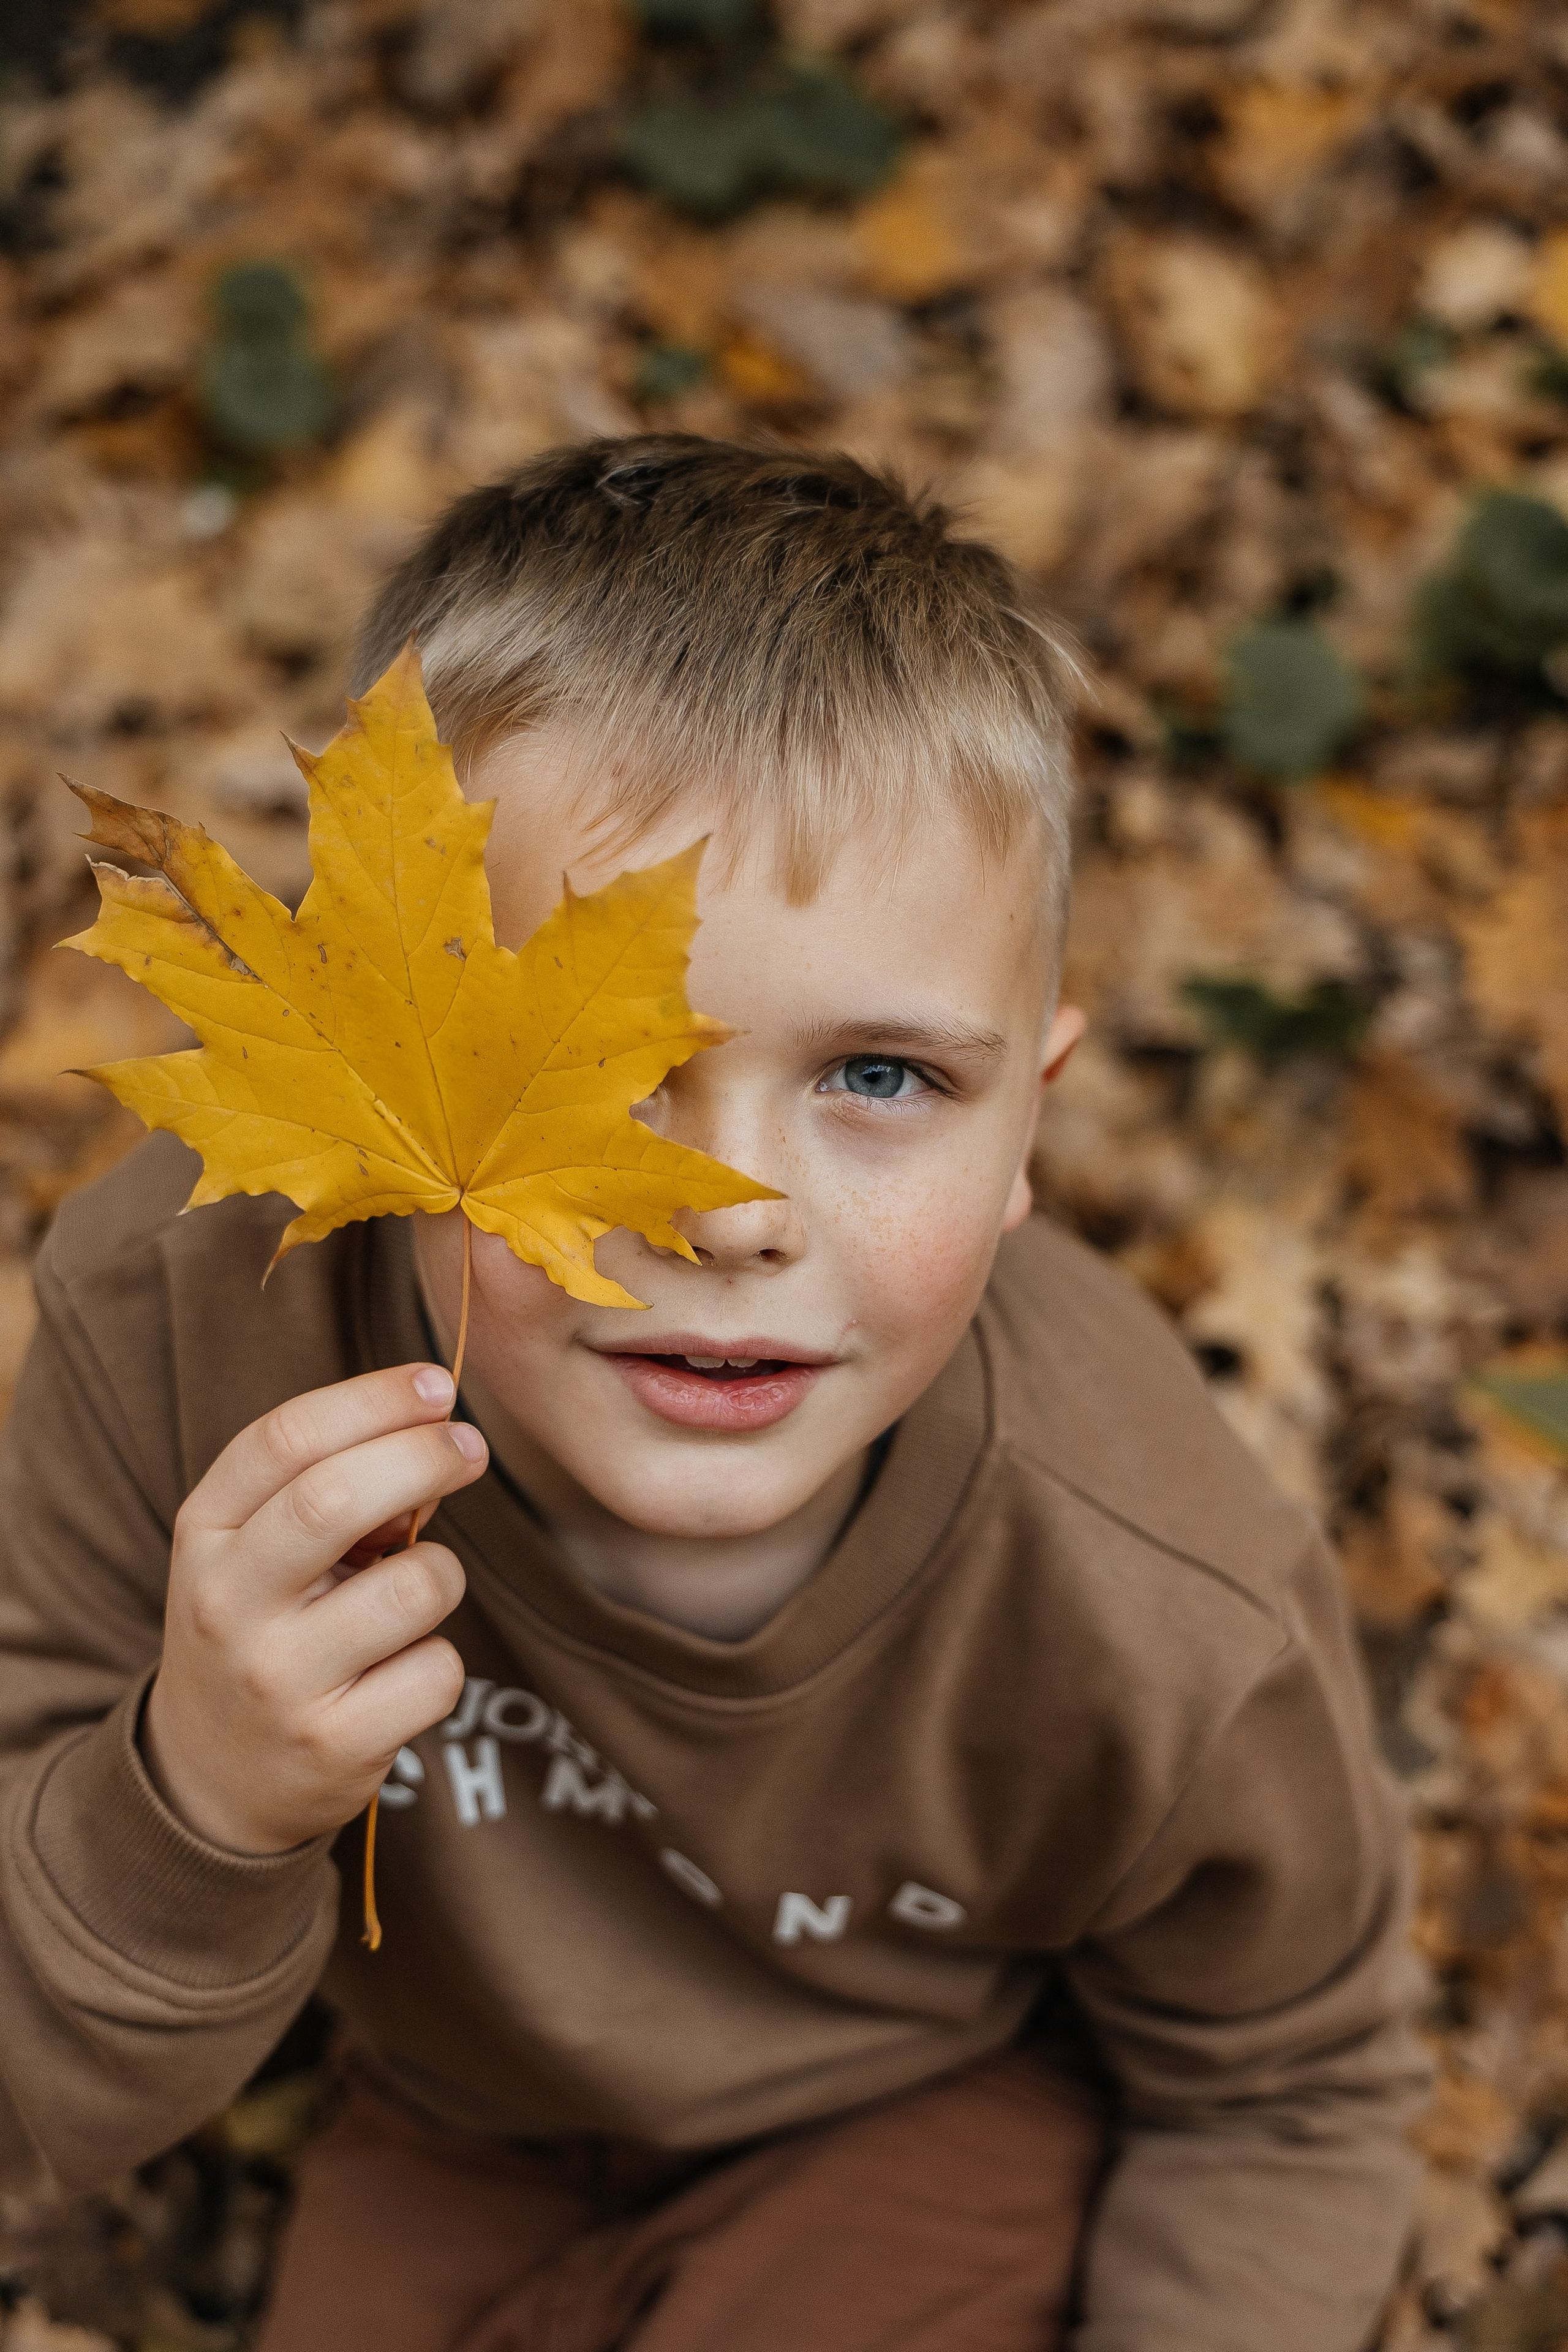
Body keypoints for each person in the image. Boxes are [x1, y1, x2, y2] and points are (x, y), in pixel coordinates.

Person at [0, 437, 1427, 2352]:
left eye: (884, 1081)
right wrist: (195, 1805)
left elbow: (1290, 2089)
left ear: (1029, 1129)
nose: (732, 1214)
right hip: (459, 2124)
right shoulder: (188, 1327)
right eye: (610, 1071)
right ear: (378, 1057)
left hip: (914, 2101)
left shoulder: (1148, 1588)